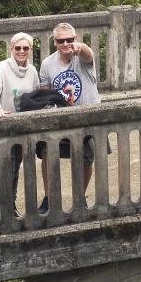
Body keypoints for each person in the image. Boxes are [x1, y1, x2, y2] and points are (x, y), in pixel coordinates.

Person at [37, 22, 100, 212]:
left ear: (75, 38)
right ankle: (49, 198)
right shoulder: (47, 64)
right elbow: (45, 92)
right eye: (61, 40)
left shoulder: (82, 58)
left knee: (86, 158)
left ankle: (79, 197)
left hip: (86, 116)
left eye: (69, 39)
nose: (65, 43)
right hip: (61, 118)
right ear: (54, 42)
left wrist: (80, 48)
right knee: (47, 153)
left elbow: (88, 54)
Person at [0, 32, 40, 219]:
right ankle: (1, 209)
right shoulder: (1, 68)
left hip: (23, 126)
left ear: (30, 49)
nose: (21, 51)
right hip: (5, 124)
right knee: (8, 167)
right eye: (18, 48)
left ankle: (7, 206)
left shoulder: (32, 71)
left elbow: (35, 95)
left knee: (15, 166)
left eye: (25, 48)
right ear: (11, 48)